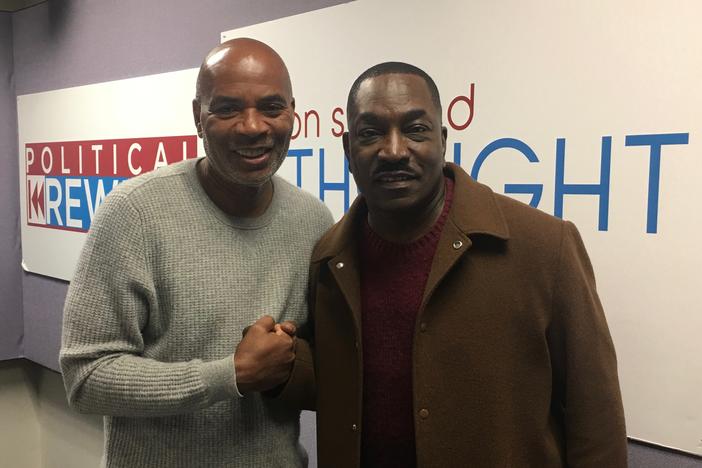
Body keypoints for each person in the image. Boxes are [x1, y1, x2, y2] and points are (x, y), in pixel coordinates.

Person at [278, 62, 628, 467]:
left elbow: (595, 416)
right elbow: (342, 381)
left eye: (415, 129)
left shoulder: (546, 247)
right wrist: (281, 366)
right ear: (348, 149)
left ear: (442, 141)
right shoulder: (330, 259)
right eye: (371, 133)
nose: (393, 151)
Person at [59, 38, 333, 467]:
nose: (252, 126)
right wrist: (230, 376)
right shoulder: (134, 213)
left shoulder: (314, 220)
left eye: (271, 107)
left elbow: (321, 362)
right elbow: (85, 376)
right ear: (197, 118)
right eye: (227, 109)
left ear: (292, 113)